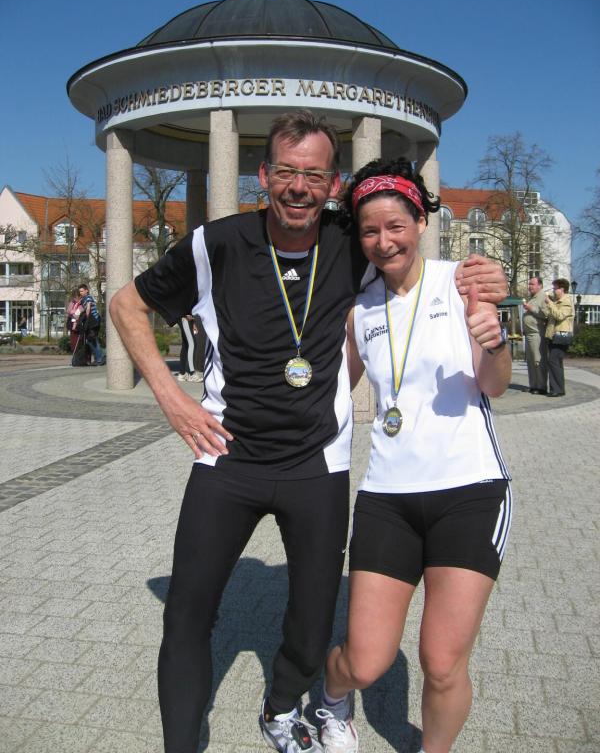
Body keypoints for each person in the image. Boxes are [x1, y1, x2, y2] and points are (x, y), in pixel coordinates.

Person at [109, 111, 508, 753]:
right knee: (186, 614)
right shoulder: (216, 244)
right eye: (287, 172)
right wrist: (171, 398)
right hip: (227, 459)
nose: (299, 187)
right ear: (263, 175)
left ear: (333, 184)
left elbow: (409, 254)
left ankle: (281, 708)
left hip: (317, 465)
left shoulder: (355, 243)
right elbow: (125, 303)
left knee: (312, 619)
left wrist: (486, 278)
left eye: (315, 175)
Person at [317, 158, 512, 753]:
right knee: (364, 661)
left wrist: (496, 343)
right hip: (387, 498)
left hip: (470, 492)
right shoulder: (360, 309)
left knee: (442, 662)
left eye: (396, 226)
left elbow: (496, 384)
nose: (384, 242)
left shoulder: (464, 282)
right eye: (370, 231)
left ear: (422, 222)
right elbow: (331, 393)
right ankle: (330, 701)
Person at [544, 278, 574, 397]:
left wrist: (550, 303)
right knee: (555, 362)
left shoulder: (566, 302)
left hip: (561, 335)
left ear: (562, 289)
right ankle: (557, 388)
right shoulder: (557, 302)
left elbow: (560, 316)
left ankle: (557, 389)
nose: (554, 290)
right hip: (554, 336)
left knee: (553, 361)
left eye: (555, 288)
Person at [522, 276, 548, 394]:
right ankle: (533, 385)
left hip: (537, 333)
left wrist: (531, 308)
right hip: (529, 334)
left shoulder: (543, 297)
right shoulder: (532, 297)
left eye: (532, 284)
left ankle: (541, 387)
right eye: (529, 284)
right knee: (531, 361)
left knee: (538, 361)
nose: (530, 286)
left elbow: (546, 314)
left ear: (540, 285)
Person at [77, 284, 105, 365]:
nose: (81, 293)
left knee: (92, 339)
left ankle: (100, 358)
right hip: (91, 321)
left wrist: (86, 317)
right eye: (80, 291)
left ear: (87, 290)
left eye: (82, 291)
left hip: (93, 321)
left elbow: (88, 308)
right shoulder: (83, 299)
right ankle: (99, 358)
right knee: (91, 340)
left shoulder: (88, 297)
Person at [176, 314, 202, 382]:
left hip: (187, 318)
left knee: (186, 345)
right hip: (184, 317)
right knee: (192, 344)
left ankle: (182, 374)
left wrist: (193, 323)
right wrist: (185, 314)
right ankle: (192, 374)